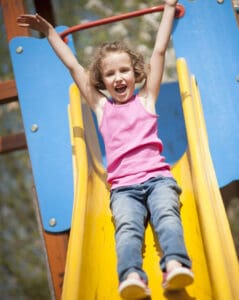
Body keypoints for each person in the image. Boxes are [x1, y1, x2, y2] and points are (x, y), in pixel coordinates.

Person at [17, 1, 194, 299]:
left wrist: (166, 11)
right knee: (126, 229)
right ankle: (132, 276)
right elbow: (74, 66)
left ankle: (174, 263)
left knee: (167, 216)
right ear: (102, 81)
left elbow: (159, 51)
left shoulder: (147, 99)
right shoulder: (101, 107)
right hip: (123, 189)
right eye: (110, 74)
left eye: (124, 70)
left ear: (136, 73)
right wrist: (49, 33)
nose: (119, 77)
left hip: (159, 180)